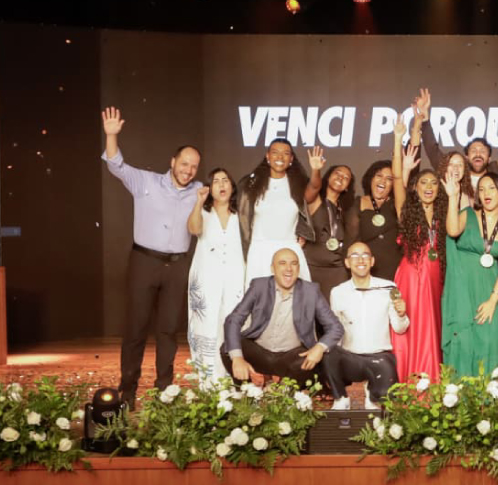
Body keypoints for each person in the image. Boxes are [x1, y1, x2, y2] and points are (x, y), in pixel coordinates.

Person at [101, 107, 202, 407]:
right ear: (172, 162)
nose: (188, 170)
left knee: (169, 330)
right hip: (144, 262)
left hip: (177, 266)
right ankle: (128, 389)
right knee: (135, 328)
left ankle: (164, 390)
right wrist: (111, 135)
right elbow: (115, 165)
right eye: (184, 163)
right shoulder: (145, 181)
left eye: (194, 166)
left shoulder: (198, 191)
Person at [222, 248, 344, 385]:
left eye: (294, 263)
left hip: (291, 356)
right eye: (282, 263)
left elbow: (335, 327)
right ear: (272, 269)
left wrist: (319, 348)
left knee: (311, 362)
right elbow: (233, 320)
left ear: (299, 268)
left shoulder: (311, 291)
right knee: (229, 348)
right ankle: (247, 391)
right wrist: (237, 358)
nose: (288, 269)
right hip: (260, 352)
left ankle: (289, 395)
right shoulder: (259, 286)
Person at [442, 171, 498, 378]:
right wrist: (453, 197)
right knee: (463, 341)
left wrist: (493, 301)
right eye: (482, 189)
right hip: (460, 289)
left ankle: (491, 402)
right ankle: (457, 397)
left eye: (492, 188)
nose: (486, 193)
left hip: (488, 291)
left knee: (487, 341)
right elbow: (452, 230)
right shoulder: (468, 214)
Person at [390, 117, 448, 382]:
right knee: (412, 328)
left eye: (433, 184)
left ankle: (432, 380)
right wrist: (397, 138)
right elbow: (396, 178)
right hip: (411, 277)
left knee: (433, 327)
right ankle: (410, 380)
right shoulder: (407, 211)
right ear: (415, 187)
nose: (428, 187)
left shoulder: (443, 213)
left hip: (435, 276)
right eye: (423, 183)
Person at [326, 242, 407, 410]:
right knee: (327, 351)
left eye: (365, 255)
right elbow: (335, 331)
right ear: (347, 263)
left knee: (383, 400)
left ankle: (372, 391)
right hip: (351, 358)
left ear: (372, 261)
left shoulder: (388, 288)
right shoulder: (338, 292)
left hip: (379, 357)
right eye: (354, 256)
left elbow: (400, 328)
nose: (360, 259)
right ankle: (340, 397)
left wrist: (401, 314)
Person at [186, 168, 245, 379]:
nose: (221, 185)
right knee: (205, 324)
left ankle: (232, 378)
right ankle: (207, 378)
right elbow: (193, 229)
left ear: (232, 186)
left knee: (231, 323)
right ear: (210, 188)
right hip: (206, 276)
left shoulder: (242, 215)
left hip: (235, 276)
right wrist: (198, 202)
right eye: (216, 181)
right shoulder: (203, 212)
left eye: (225, 180)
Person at [237, 139, 316, 288]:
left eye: (285, 153)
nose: (280, 157)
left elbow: (314, 190)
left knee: (295, 304)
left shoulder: (298, 183)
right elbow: (242, 217)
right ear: (267, 156)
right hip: (259, 251)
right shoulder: (250, 184)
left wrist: (316, 170)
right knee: (261, 304)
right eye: (275, 153)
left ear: (291, 159)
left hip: (290, 250)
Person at [304, 163, 355, 302]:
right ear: (328, 177)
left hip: (337, 269)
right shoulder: (315, 201)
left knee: (335, 316)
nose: (341, 177)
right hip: (311, 267)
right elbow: (314, 186)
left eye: (346, 177)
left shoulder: (345, 210)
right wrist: (316, 169)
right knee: (309, 313)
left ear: (347, 187)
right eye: (337, 173)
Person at [345, 160, 402, 281]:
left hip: (395, 270)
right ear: (371, 178)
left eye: (389, 179)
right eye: (379, 176)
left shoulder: (398, 203)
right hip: (365, 269)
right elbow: (351, 241)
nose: (383, 181)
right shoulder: (358, 203)